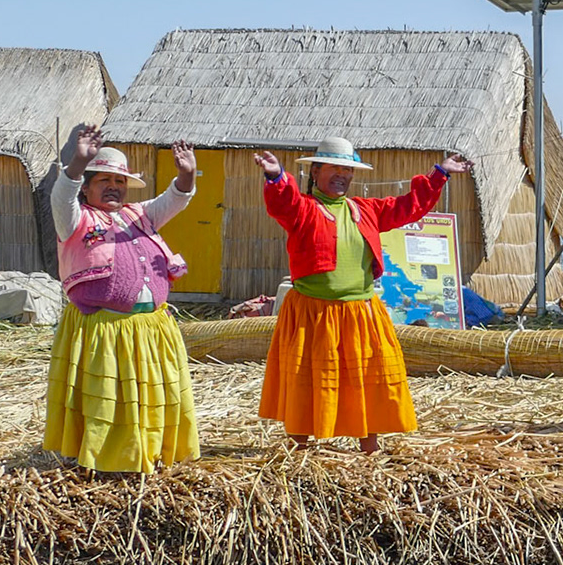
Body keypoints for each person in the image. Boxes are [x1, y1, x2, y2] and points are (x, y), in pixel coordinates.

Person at [254, 136, 469, 450]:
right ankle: (301, 449)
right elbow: (282, 203)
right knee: (308, 378)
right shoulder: (304, 210)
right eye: (335, 168)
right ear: (315, 171)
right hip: (314, 314)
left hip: (360, 312)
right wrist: (276, 177)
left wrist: (441, 174)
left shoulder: (365, 210)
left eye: (348, 170)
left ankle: (370, 450)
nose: (343, 175)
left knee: (368, 379)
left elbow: (408, 207)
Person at [43, 125, 201, 472]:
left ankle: (147, 452)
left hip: (150, 330)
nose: (114, 187)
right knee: (108, 399)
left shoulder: (139, 214)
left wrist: (187, 174)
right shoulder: (75, 220)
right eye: (104, 180)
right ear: (86, 187)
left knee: (149, 397)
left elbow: (175, 198)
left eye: (120, 181)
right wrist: (77, 163)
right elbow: (62, 197)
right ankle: (102, 459)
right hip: (104, 330)